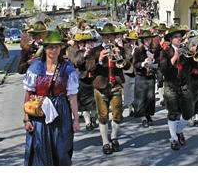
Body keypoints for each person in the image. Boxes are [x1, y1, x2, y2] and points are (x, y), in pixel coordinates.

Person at [23, 30, 80, 166]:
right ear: (45, 48)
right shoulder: (36, 67)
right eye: (50, 47)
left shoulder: (67, 68)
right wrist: (26, 118)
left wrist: (76, 120)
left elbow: (72, 96)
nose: (53, 50)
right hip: (40, 113)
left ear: (61, 48)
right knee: (40, 149)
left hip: (61, 113)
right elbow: (29, 93)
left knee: (61, 151)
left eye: (57, 47)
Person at [84, 22, 131, 155]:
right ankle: (105, 142)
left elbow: (127, 66)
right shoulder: (95, 50)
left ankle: (114, 137)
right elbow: (88, 67)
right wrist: (99, 59)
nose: (108, 39)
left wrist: (120, 56)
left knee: (117, 114)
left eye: (111, 36)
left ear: (114, 37)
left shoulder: (120, 49)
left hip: (115, 85)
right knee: (103, 115)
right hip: (100, 86)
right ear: (102, 37)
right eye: (106, 37)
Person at [159, 24, 194, 150]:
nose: (179, 39)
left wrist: (195, 54)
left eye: (180, 37)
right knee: (173, 113)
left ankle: (179, 131)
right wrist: (175, 56)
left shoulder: (185, 50)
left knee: (189, 112)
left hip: (184, 85)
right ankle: (173, 138)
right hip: (171, 85)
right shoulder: (165, 52)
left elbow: (194, 64)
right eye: (176, 37)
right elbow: (164, 69)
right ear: (171, 39)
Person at [72, 30, 99, 131]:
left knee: (94, 101)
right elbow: (77, 63)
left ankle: (93, 118)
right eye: (87, 42)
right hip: (83, 80)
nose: (89, 44)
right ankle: (88, 122)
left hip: (94, 79)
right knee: (84, 103)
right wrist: (84, 56)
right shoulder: (79, 53)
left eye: (91, 42)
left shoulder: (95, 52)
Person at [132, 28, 158, 127]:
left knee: (150, 97)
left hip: (150, 76)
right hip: (141, 76)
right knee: (141, 97)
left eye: (149, 39)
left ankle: (148, 114)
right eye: (146, 39)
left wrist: (153, 60)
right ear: (143, 40)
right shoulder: (138, 50)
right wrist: (143, 63)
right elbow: (135, 64)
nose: (148, 41)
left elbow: (157, 63)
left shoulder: (153, 49)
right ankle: (143, 116)